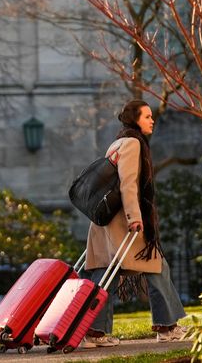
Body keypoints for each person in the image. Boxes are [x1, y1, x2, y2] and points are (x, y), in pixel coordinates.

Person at [79, 99, 189, 348]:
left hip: (108, 221)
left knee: (106, 273)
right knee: (155, 266)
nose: (152, 120)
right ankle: (166, 327)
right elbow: (127, 184)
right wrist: (135, 218)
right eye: (147, 116)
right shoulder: (132, 144)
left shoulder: (118, 142)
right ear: (135, 119)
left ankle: (95, 332)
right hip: (123, 222)